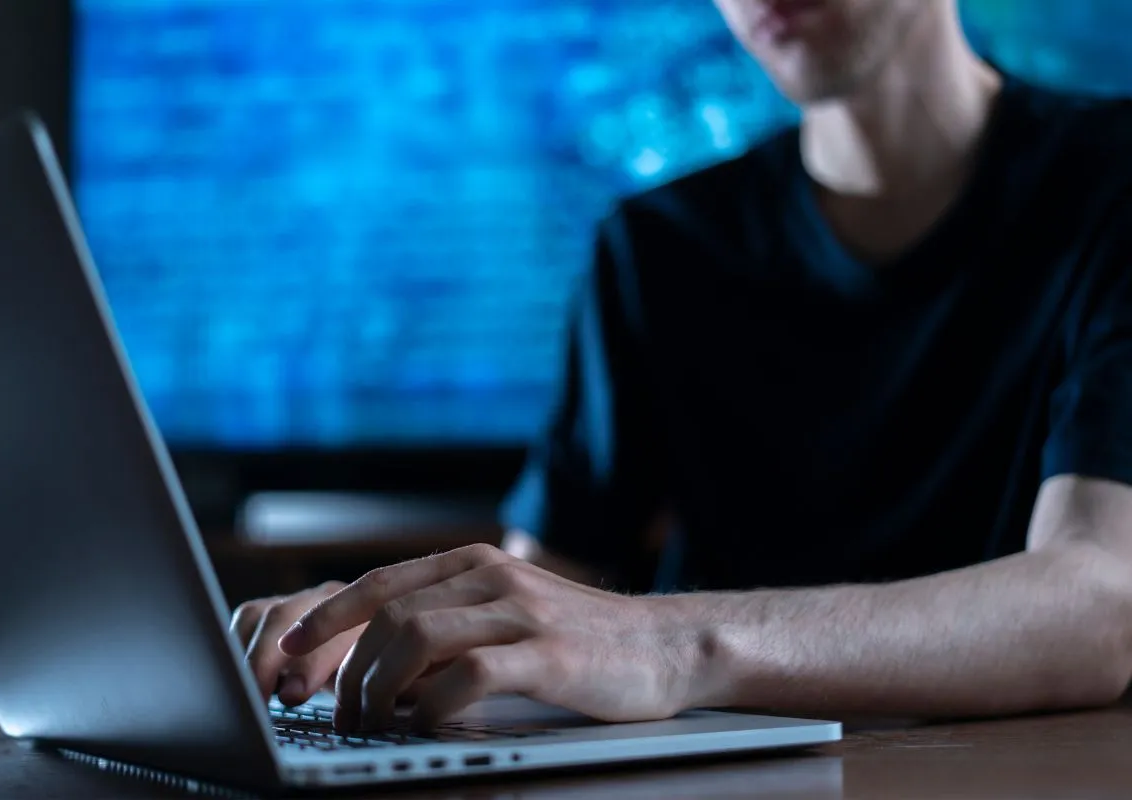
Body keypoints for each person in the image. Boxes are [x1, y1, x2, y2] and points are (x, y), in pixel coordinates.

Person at [233, 0, 1132, 733]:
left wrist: (671, 646)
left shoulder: (1111, 187)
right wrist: (382, 636)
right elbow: (550, 587)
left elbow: (1099, 603)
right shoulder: (655, 249)